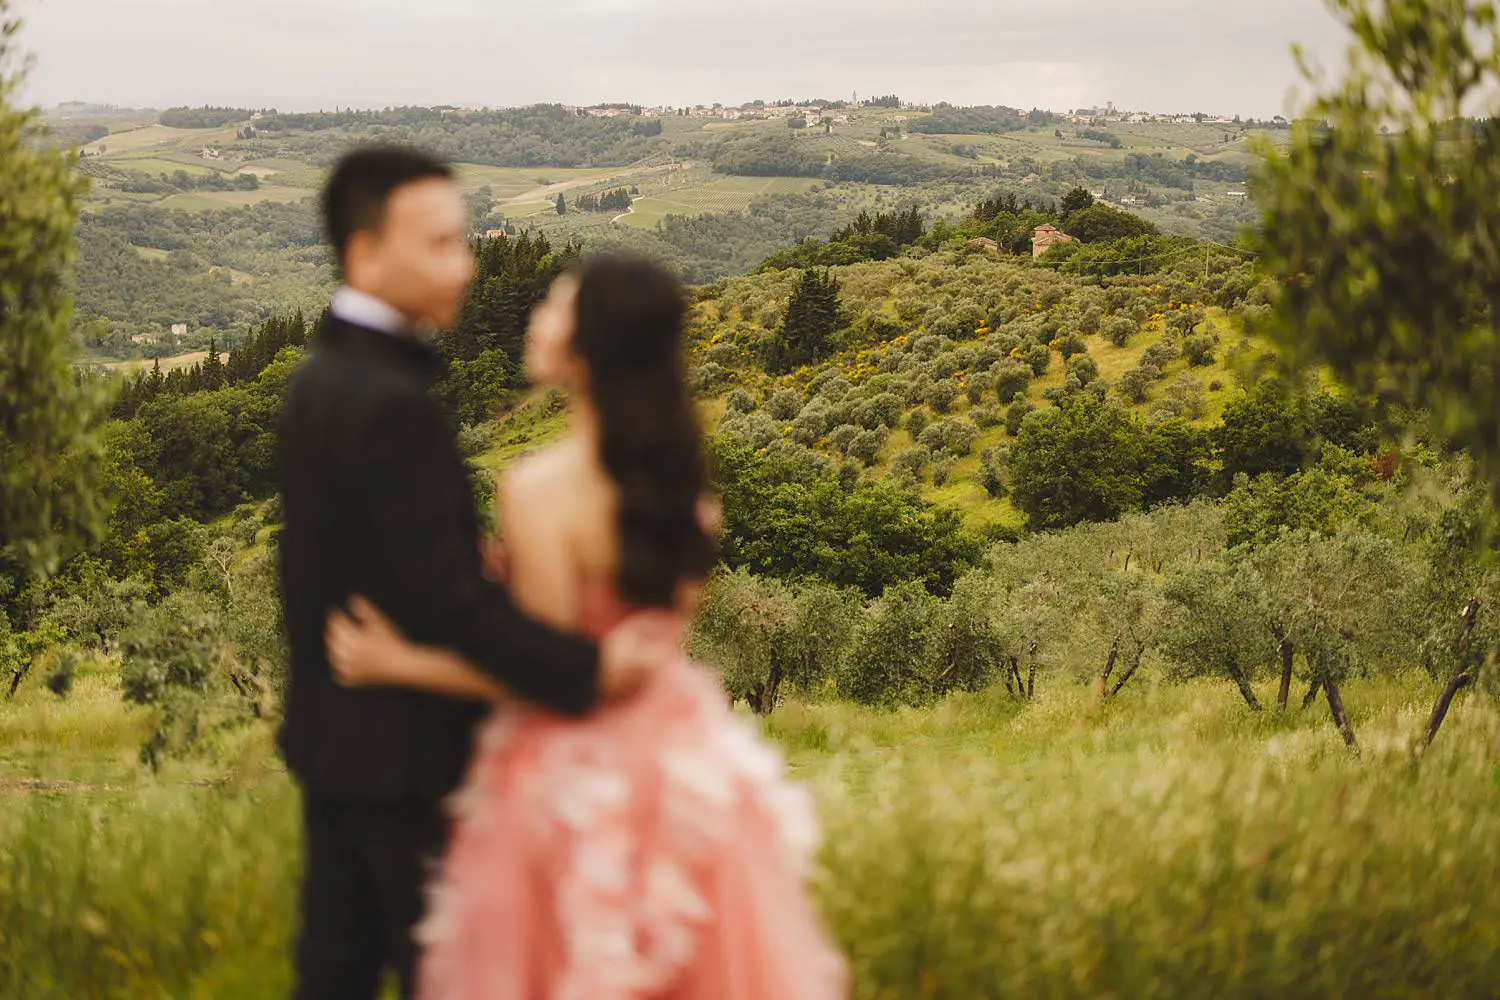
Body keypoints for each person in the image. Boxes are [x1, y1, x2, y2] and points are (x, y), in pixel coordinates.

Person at [325, 256, 847, 1000]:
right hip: (684, 766)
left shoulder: (540, 491)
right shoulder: (680, 482)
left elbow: (542, 671)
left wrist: (395, 661)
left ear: (585, 347)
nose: (537, 316)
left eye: (555, 305)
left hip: (574, 779)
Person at [277, 147, 663, 1000]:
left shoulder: (321, 378)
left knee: (335, 973)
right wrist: (588, 669)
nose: (468, 263)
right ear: (366, 254)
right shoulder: (389, 404)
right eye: (442, 244)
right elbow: (447, 600)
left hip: (335, 740)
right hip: (403, 760)